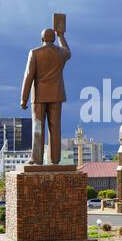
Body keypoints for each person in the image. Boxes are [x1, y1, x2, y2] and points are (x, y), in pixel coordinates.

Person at [20, 25, 71, 165]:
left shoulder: (35, 52)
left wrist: (23, 99)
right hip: (56, 95)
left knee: (38, 127)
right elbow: (68, 52)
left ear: (42, 38)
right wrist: (61, 35)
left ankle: (36, 159)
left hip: (39, 96)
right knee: (55, 128)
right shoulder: (61, 53)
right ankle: (55, 160)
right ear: (53, 38)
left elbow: (28, 76)